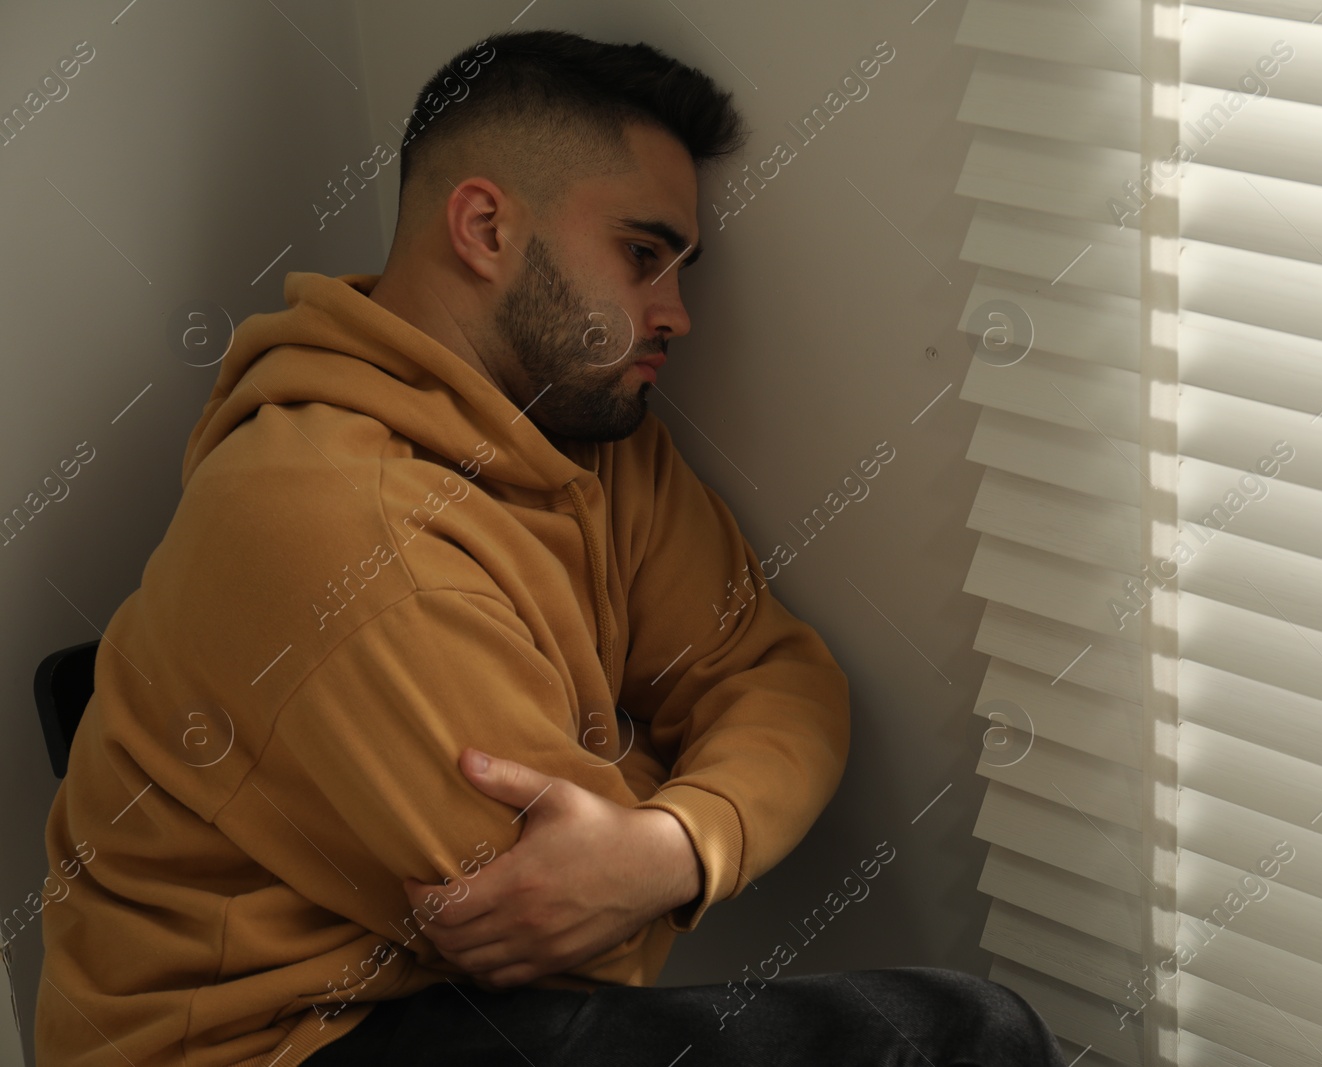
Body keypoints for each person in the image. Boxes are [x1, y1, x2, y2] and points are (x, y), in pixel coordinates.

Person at [35, 28, 1068, 1067]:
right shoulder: (341, 524)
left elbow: (773, 672)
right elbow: (571, 935)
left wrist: (670, 842)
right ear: (484, 226)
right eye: (640, 253)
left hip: (432, 994)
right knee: (962, 1040)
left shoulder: (586, 427)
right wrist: (645, 817)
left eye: (680, 267)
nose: (675, 313)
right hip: (276, 1043)